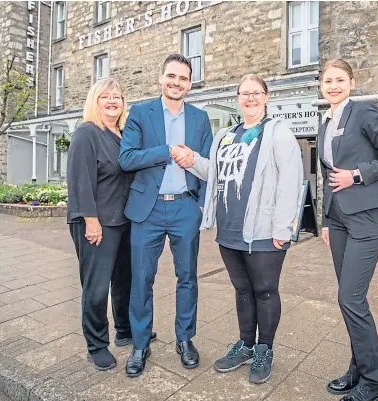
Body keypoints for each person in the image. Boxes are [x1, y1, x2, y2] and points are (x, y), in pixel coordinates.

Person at [173, 74, 303, 384]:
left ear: (266, 96)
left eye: (256, 93)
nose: (250, 98)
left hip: (264, 230)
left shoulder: (278, 132)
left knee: (265, 290)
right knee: (243, 290)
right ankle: (245, 344)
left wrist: (283, 228)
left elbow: (291, 181)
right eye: (244, 93)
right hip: (230, 228)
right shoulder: (226, 135)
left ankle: (264, 349)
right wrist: (192, 160)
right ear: (237, 98)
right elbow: (215, 172)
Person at [118, 54, 213, 377]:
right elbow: (127, 158)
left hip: (185, 208)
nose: (176, 83)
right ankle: (140, 344)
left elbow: (207, 167)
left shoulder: (200, 118)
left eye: (183, 78)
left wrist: (200, 205)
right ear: (162, 78)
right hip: (148, 210)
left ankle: (185, 339)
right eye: (171, 76)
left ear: (190, 83)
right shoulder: (141, 113)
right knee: (142, 279)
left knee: (187, 277)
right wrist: (167, 151)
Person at [318, 59, 378, 401]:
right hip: (338, 219)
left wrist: (356, 174)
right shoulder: (324, 121)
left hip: (367, 218)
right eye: (328, 80)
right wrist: (326, 219)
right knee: (350, 300)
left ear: (351, 83)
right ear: (321, 85)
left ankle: (374, 383)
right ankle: (358, 369)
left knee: (349, 297)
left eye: (340, 80)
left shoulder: (365, 112)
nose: (334, 85)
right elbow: (327, 174)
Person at [67, 78, 156, 371]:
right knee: (96, 288)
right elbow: (80, 181)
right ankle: (96, 345)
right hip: (96, 223)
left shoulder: (121, 135)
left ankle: (125, 331)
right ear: (95, 101)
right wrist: (91, 222)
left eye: (117, 96)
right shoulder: (86, 133)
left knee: (124, 282)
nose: (112, 101)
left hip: (123, 222)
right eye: (105, 96)